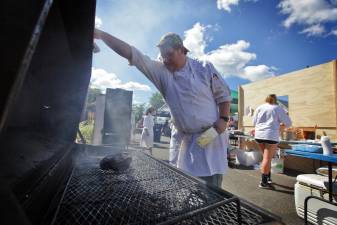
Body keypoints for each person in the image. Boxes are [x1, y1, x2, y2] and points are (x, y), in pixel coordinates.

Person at [94, 29, 231, 188]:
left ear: (182, 50)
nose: (165, 59)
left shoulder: (204, 67)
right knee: (184, 184)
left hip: (209, 136)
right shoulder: (161, 72)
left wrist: (223, 119)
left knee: (210, 187)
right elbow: (132, 54)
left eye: (169, 54)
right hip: (184, 140)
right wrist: (103, 35)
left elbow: (223, 94)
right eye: (162, 55)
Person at [252, 94, 292, 189]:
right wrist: (281, 127)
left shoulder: (259, 108)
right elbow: (289, 123)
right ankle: (263, 182)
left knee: (266, 158)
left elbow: (254, 122)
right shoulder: (277, 108)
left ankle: (268, 178)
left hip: (259, 135)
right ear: (275, 100)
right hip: (270, 136)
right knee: (267, 158)